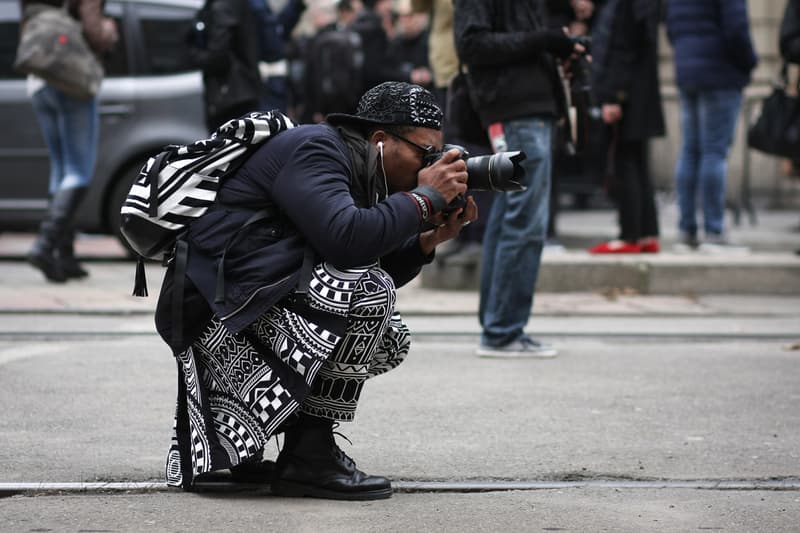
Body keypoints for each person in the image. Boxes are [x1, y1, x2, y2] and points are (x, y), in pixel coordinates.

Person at [158, 81, 477, 500]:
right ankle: (309, 455)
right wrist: (425, 197)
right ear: (380, 141)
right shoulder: (318, 149)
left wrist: (426, 240)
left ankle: (252, 448)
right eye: (425, 152)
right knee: (372, 293)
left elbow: (349, 264)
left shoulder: (362, 173)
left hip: (237, 303)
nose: (431, 164)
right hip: (214, 310)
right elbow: (346, 242)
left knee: (387, 337)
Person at [454, 0, 584, 358]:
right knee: (524, 220)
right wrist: (543, 40)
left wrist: (555, 45)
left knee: (512, 216)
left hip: (523, 106)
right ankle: (502, 332)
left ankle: (499, 327)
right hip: (515, 107)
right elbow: (471, 44)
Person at [24, 0, 118, 283]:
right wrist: (108, 31)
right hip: (71, 78)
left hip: (39, 78)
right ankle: (45, 245)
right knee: (79, 171)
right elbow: (94, 32)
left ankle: (64, 255)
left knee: (62, 169)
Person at [665, 0, 757, 252]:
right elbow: (737, 29)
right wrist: (750, 62)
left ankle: (687, 229)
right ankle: (714, 231)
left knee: (691, 150)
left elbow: (671, 28)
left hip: (688, 72)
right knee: (714, 152)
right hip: (721, 73)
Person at [586, 0, 665, 254]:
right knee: (637, 161)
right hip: (639, 92)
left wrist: (612, 96)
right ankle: (645, 233)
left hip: (625, 96)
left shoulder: (624, 6)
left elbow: (621, 47)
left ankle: (629, 235)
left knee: (625, 161)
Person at [188, 0, 262, 132]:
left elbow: (218, 57)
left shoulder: (220, 7)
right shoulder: (240, 5)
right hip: (245, 90)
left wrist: (193, 55)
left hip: (228, 96)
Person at [248, 0, 306, 113]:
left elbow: (279, 27)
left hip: (268, 82)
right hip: (267, 81)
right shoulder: (257, 6)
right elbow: (273, 37)